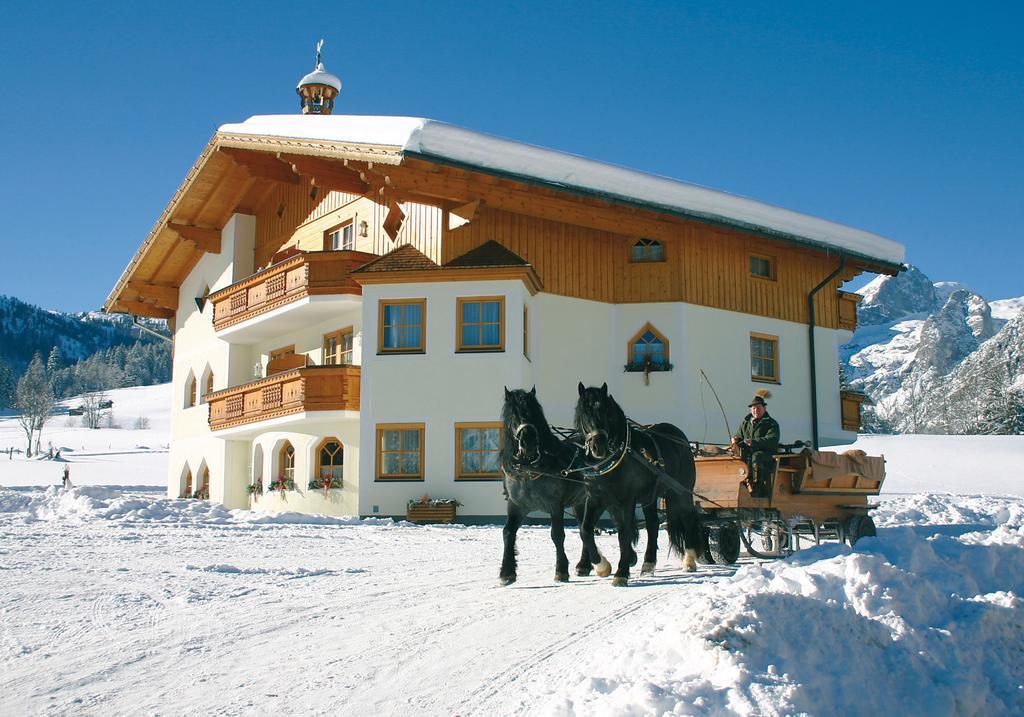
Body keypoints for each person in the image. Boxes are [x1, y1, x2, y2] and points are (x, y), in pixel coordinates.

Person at [731, 389, 780, 497]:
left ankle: (757, 487)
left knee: (756, 457)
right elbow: (739, 436)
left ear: (764, 409)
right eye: (753, 408)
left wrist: (754, 442)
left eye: (758, 408)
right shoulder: (745, 423)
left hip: (767, 454)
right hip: (748, 453)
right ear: (750, 410)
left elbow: (772, 439)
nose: (755, 410)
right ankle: (740, 484)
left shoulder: (771, 423)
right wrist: (735, 440)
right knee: (736, 459)